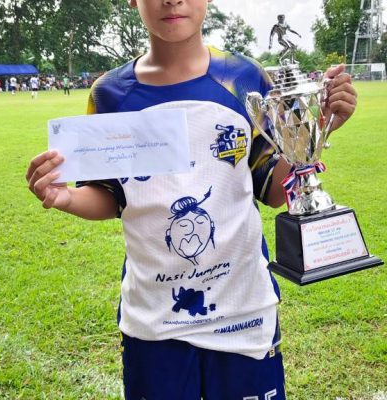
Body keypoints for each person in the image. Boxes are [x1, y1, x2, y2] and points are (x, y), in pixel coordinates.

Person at [26, 1, 357, 399]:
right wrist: (65, 197)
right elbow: (111, 196)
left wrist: (316, 130)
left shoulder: (244, 78)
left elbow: (271, 187)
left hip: (244, 314)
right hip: (154, 322)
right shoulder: (110, 93)